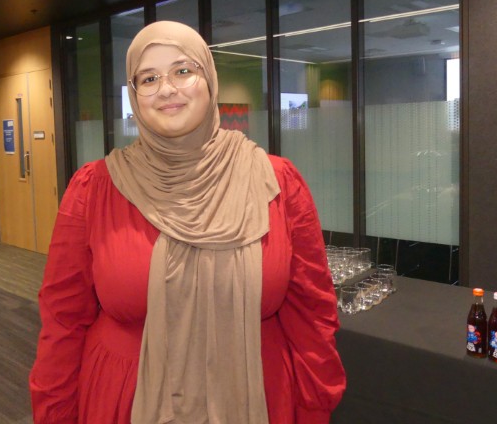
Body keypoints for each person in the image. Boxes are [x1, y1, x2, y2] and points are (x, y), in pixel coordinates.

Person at [29, 21, 346, 423]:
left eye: (182, 70)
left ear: (209, 80)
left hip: (257, 395)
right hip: (127, 399)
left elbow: (312, 315)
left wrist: (314, 406)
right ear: (134, 94)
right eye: (149, 78)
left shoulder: (276, 182)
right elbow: (63, 320)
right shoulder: (94, 188)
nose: (166, 89)